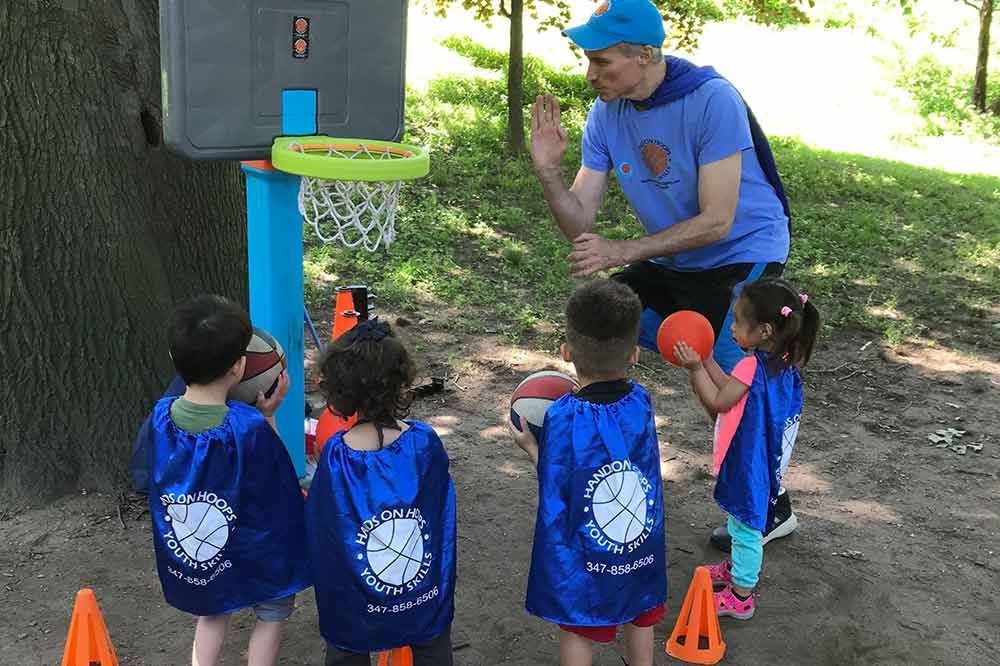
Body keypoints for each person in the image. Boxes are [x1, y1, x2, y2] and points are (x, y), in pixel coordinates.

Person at [530, 0, 796, 552]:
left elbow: (719, 220)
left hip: (744, 252)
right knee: (599, 326)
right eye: (588, 61)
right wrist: (549, 173)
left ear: (646, 54)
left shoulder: (710, 100)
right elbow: (579, 220)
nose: (590, 75)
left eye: (603, 62)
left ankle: (770, 507)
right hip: (678, 257)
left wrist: (622, 249)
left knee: (734, 388)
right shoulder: (608, 115)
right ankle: (598, 465)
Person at [510, 279, 666, 666]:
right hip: (636, 543)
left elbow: (558, 483)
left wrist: (532, 448)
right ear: (634, 354)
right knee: (640, 609)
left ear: (565, 352)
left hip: (585, 553)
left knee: (578, 624)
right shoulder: (641, 403)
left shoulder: (563, 416)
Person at [146, 294, 309, 666]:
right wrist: (268, 415)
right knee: (271, 614)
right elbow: (281, 473)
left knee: (212, 611)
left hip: (205, 548)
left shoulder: (159, 416)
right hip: (257, 545)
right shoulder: (245, 425)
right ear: (239, 368)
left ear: (175, 360)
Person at [305, 318, 456, 666]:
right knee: (431, 643)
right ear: (402, 382)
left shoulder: (337, 455)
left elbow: (325, 524)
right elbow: (437, 508)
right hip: (419, 587)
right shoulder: (424, 441)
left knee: (347, 645)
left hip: (356, 590)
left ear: (340, 388)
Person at [673, 278, 818, 619]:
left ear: (765, 329)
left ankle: (741, 595)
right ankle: (737, 568)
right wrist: (707, 359)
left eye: (738, 321)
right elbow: (734, 388)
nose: (732, 327)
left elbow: (721, 401)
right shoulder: (779, 361)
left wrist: (695, 370)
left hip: (749, 461)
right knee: (741, 521)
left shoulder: (752, 366)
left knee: (747, 528)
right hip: (762, 457)